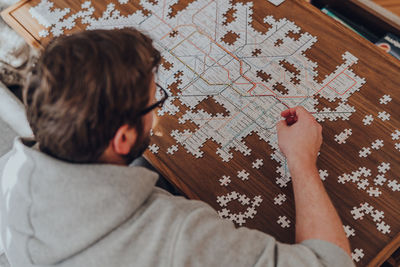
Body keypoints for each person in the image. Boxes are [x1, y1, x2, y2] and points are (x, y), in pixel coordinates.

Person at [0, 28, 354, 267]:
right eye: (154, 102)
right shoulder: (180, 237)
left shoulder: (11, 170)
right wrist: (301, 159)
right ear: (122, 138)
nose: (157, 110)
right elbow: (329, 261)